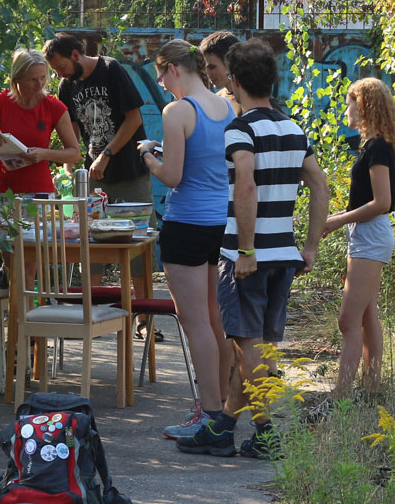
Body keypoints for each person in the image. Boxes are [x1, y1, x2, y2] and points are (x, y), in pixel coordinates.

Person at [176, 38, 329, 458]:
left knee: (248, 346)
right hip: (284, 255)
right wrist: (310, 246)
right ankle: (224, 427)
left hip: (248, 258)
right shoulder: (292, 128)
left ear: (236, 80)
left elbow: (245, 182)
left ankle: (264, 432)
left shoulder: (241, 130)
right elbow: (320, 185)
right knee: (259, 346)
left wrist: (245, 250)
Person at [137, 40, 235, 433]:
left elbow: (173, 176)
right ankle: (222, 405)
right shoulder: (227, 106)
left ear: (175, 69)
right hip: (220, 223)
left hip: (186, 225)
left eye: (161, 74)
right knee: (214, 321)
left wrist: (147, 155)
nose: (160, 84)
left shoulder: (177, 110)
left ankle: (208, 414)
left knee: (194, 323)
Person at [43, 32, 156, 339]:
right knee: (90, 244)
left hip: (129, 172)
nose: (59, 74)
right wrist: (68, 171)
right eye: (55, 71)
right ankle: (91, 314)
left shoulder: (111, 70)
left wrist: (106, 154)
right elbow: (72, 132)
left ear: (76, 55)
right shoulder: (67, 85)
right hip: (94, 178)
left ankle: (143, 317)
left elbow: (133, 119)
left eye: (61, 67)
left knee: (135, 246)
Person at [318, 77, 395, 411]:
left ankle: (340, 398)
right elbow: (366, 201)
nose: (346, 109)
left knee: (347, 319)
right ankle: (371, 391)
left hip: (371, 237)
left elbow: (383, 202)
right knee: (366, 315)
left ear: (363, 105)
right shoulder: (372, 145)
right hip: (365, 235)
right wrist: (337, 218)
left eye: (350, 102)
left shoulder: (378, 147)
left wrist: (338, 220)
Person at [0, 48, 81, 288]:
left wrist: (44, 154)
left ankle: (26, 321)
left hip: (36, 193)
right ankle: (18, 317)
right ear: (16, 78)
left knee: (28, 269)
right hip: (2, 191)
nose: (40, 84)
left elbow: (74, 151)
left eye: (43, 78)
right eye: (33, 79)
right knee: (11, 266)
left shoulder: (53, 106)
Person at [199, 30, 242, 115]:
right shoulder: (218, 98)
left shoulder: (254, 101)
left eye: (212, 67)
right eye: (205, 68)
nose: (208, 73)